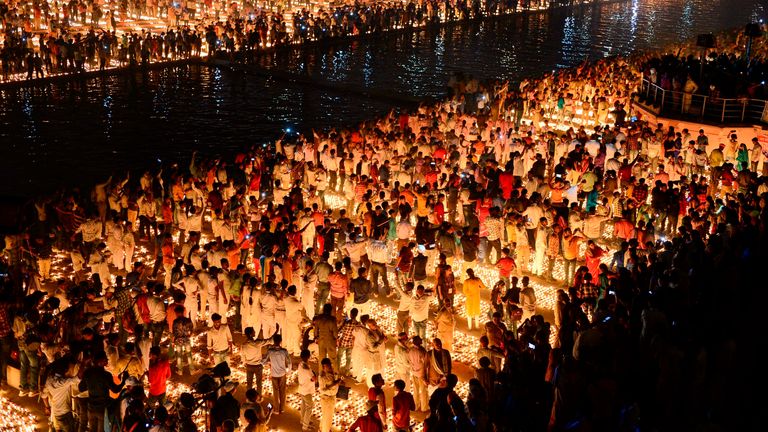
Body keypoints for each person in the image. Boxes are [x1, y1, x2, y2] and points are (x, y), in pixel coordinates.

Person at [79, 351, 127, 432]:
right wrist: (123, 381)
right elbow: (115, 390)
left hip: (91, 407)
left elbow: (81, 388)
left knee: (92, 430)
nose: (107, 361)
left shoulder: (87, 373)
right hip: (102, 409)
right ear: (99, 362)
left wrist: (91, 384)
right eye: (105, 360)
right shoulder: (106, 375)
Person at [42, 356, 80, 432]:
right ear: (65, 370)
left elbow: (43, 395)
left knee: (58, 429)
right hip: (65, 414)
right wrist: (84, 364)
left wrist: (47, 407)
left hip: (56, 412)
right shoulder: (62, 382)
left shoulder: (49, 379)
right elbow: (78, 378)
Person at [262, 334, 291, 414]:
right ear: (281, 341)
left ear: (273, 341)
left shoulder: (270, 351)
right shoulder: (284, 351)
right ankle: (282, 408)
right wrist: (288, 372)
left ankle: (276, 409)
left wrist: (266, 363)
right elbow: (289, 362)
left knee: (275, 392)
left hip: (274, 374)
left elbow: (263, 361)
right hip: (282, 374)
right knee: (282, 391)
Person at [318, 357, 343, 432]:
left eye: (330, 365)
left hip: (332, 397)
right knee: (327, 418)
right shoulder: (322, 377)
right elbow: (323, 389)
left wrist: (339, 381)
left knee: (326, 416)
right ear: (323, 367)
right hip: (327, 399)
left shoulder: (333, 373)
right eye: (327, 366)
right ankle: (325, 430)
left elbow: (336, 383)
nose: (330, 367)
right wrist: (336, 383)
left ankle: (322, 428)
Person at [313, 303, 339, 372]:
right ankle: (336, 375)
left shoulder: (319, 318)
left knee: (321, 359)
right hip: (330, 341)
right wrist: (336, 338)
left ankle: (321, 374)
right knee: (333, 359)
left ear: (323, 309)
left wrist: (316, 338)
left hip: (321, 340)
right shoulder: (332, 319)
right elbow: (335, 333)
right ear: (331, 310)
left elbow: (315, 331)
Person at [297, 349, 316, 432]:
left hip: (302, 388)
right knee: (310, 406)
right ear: (308, 357)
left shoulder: (301, 364)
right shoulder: (307, 369)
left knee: (304, 405)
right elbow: (314, 378)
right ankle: (305, 426)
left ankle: (303, 420)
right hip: (306, 390)